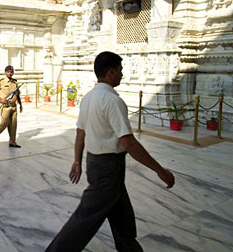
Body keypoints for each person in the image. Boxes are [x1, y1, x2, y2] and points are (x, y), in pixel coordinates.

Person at [46, 51, 175, 252]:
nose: (122, 74)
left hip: (96, 163)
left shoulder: (88, 97)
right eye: (120, 70)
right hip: (108, 168)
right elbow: (129, 143)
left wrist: (78, 162)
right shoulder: (113, 101)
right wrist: (160, 170)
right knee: (84, 219)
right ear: (111, 72)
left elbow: (80, 133)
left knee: (122, 216)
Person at [0, 65, 23, 148]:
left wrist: (20, 104)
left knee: (13, 125)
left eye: (12, 72)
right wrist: (1, 99)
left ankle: (12, 142)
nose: (10, 73)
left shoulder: (15, 82)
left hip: (13, 106)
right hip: (5, 106)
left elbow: (17, 94)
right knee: (4, 123)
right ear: (5, 72)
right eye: (8, 72)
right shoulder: (1, 81)